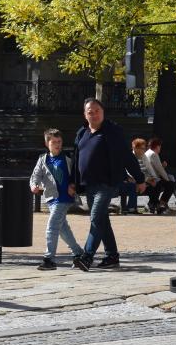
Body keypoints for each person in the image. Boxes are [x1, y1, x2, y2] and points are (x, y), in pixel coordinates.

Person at [73, 98, 144, 271]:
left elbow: (127, 156)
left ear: (103, 112)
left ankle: (87, 257)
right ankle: (112, 256)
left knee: (96, 217)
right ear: (85, 114)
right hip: (89, 184)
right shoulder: (82, 132)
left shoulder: (113, 131)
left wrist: (140, 178)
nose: (94, 114)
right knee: (102, 219)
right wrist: (72, 182)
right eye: (90, 111)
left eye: (97, 110)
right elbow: (76, 159)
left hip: (108, 183)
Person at [28, 129, 83, 271]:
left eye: (59, 142)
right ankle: (79, 254)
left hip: (64, 198)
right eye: (54, 142)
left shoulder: (68, 158)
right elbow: (35, 176)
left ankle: (49, 259)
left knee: (52, 227)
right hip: (51, 198)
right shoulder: (43, 159)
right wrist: (34, 185)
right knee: (62, 229)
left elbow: (77, 175)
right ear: (47, 143)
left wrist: (73, 185)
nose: (57, 145)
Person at [144, 138, 176, 212]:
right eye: (160, 146)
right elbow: (160, 170)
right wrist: (167, 179)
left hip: (150, 177)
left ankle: (154, 203)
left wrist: (162, 166)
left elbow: (156, 167)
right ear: (157, 146)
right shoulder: (154, 154)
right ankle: (162, 203)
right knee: (172, 184)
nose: (160, 148)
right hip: (152, 179)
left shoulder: (148, 152)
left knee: (168, 182)